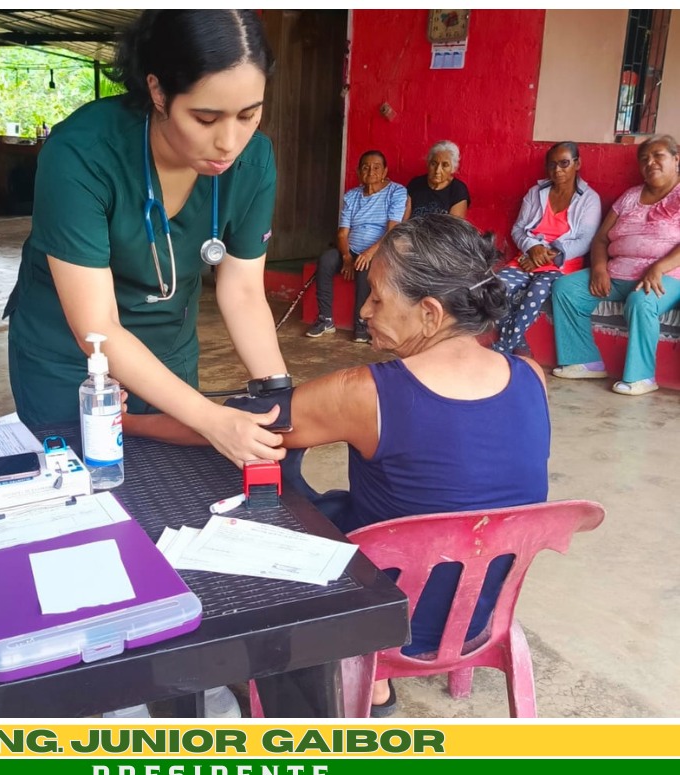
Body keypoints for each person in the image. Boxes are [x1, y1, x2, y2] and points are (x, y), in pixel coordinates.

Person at [127, 214, 551, 716]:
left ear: (430, 313)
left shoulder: (370, 394)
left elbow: (237, 426)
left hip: (379, 613)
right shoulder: (531, 375)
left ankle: (357, 677)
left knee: (242, 502)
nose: (365, 310)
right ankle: (376, 685)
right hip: (478, 612)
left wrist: (126, 421)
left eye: (378, 299)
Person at [3, 10, 288, 467]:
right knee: (81, 482)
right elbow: (96, 326)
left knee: (168, 481)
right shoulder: (82, 153)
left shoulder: (253, 162)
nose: (229, 142)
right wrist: (211, 419)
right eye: (206, 118)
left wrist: (278, 396)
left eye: (249, 115)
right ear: (158, 91)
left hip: (168, 349)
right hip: (73, 361)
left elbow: (244, 291)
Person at [552, 134, 680, 395]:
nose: (650, 163)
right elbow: (601, 238)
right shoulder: (631, 196)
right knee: (566, 289)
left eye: (658, 156)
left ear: (676, 159)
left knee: (642, 301)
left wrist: (658, 267)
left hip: (666, 276)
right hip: (618, 272)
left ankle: (641, 377)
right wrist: (599, 268)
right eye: (644, 159)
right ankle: (584, 361)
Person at [493, 142, 601, 355]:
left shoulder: (589, 199)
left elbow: (585, 241)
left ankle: (502, 347)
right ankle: (518, 344)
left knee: (537, 292)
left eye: (564, 163)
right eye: (552, 165)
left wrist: (544, 257)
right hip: (527, 258)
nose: (557, 170)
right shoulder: (536, 193)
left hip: (562, 264)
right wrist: (532, 248)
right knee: (495, 288)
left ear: (577, 164)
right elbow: (518, 229)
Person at [305, 150, 408, 342]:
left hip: (379, 250)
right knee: (327, 259)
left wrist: (368, 254)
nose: (371, 171)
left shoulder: (396, 192)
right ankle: (325, 319)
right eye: (366, 167)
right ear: (359, 172)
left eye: (376, 167)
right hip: (352, 249)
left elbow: (393, 230)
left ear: (385, 171)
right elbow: (342, 233)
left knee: (363, 267)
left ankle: (361, 325)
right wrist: (346, 257)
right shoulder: (352, 196)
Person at [405, 140, 470, 218]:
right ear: (428, 163)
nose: (437, 171)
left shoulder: (458, 190)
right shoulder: (415, 184)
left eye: (445, 165)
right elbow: (404, 220)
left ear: (453, 168)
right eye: (433, 164)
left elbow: (453, 224)